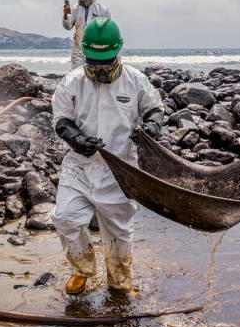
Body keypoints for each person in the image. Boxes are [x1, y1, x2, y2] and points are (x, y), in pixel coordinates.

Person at [50, 17, 164, 294]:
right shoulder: (72, 83)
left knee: (119, 230)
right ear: (85, 54)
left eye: (106, 61)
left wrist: (150, 128)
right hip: (80, 166)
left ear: (118, 52)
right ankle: (82, 268)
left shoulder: (136, 81)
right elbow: (61, 120)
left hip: (122, 169)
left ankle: (119, 278)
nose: (100, 67)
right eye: (94, 61)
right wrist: (76, 139)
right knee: (65, 218)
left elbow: (155, 110)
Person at [63, 0, 111, 71]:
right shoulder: (75, 9)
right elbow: (68, 26)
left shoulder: (102, 10)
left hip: (96, 50)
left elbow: (108, 32)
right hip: (78, 50)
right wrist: (65, 15)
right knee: (77, 76)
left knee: (94, 78)